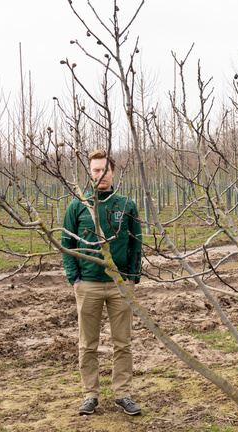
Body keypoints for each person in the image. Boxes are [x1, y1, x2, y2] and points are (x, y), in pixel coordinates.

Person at [62, 149, 143, 416]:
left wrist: (131, 278)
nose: (100, 175)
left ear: (112, 171)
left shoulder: (126, 205)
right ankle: (90, 396)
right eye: (95, 171)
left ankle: (123, 395)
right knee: (88, 344)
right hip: (88, 285)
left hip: (120, 284)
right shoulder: (78, 206)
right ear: (89, 173)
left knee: (123, 343)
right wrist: (74, 278)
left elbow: (135, 243)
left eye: (104, 170)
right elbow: (67, 244)